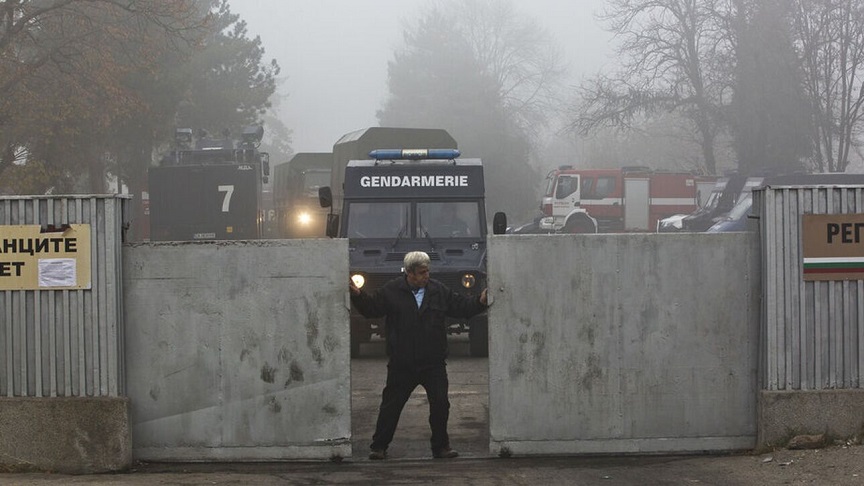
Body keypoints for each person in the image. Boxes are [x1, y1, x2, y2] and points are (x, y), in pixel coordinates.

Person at [349, 251, 489, 460]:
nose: (426, 276)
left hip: (433, 363)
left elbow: (461, 307)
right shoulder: (391, 291)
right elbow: (371, 308)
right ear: (409, 273)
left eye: (427, 272)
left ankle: (441, 447)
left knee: (441, 404)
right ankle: (378, 447)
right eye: (422, 273)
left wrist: (480, 301)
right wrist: (357, 296)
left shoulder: (438, 291)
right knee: (391, 406)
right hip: (402, 363)